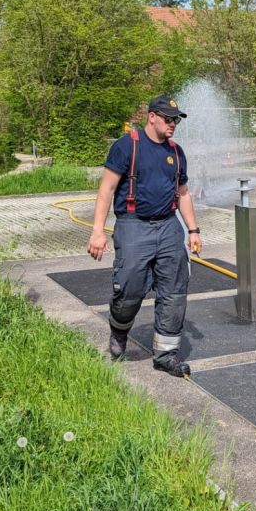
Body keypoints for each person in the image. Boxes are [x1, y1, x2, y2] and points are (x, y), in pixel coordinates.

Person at [87, 96, 203, 377]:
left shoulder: (176, 153)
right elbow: (106, 190)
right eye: (168, 118)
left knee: (174, 291)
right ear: (152, 117)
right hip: (133, 225)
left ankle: (166, 355)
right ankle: (119, 331)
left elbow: (183, 194)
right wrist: (97, 231)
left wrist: (193, 230)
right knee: (130, 289)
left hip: (168, 226)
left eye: (176, 120)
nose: (173, 124)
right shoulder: (127, 146)